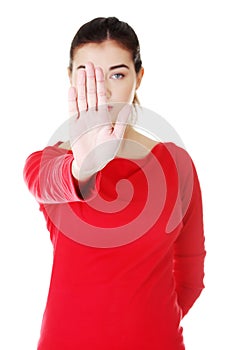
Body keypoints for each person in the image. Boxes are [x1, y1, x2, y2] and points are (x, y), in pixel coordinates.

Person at [23, 17, 206, 350]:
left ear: (139, 77)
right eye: (87, 74)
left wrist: (149, 323)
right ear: (70, 78)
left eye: (117, 74)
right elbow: (48, 183)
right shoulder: (47, 163)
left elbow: (191, 273)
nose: (102, 89)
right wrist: (84, 166)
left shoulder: (175, 164)